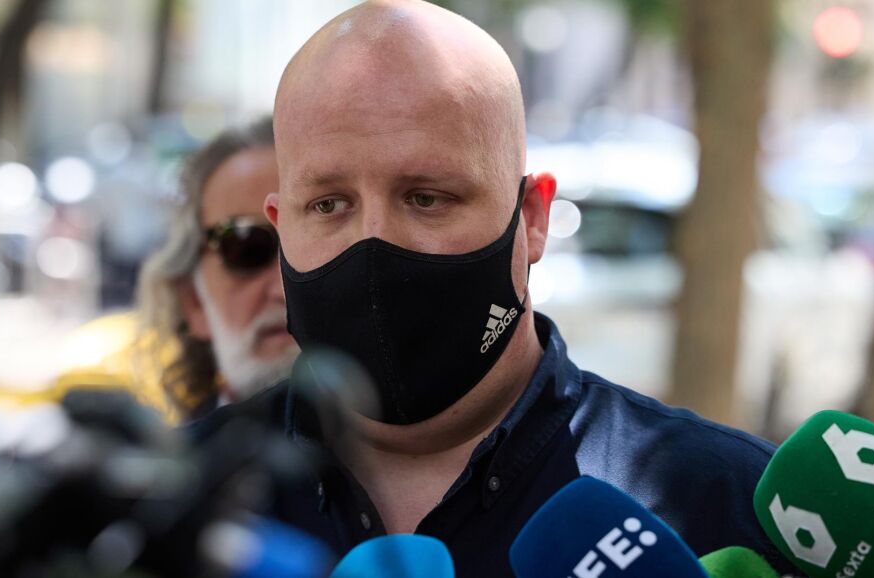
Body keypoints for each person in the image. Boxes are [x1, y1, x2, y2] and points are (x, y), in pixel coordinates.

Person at [201, 1, 795, 575]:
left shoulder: (733, 512)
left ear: (532, 218)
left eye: (427, 198)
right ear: (282, 228)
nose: (374, 242)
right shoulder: (183, 504)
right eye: (329, 205)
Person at [137, 118, 298, 420]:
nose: (284, 290)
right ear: (192, 301)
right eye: (246, 247)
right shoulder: (172, 452)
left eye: (309, 248)